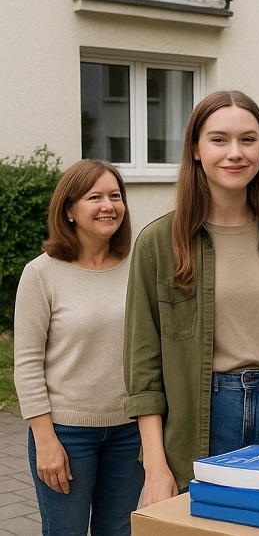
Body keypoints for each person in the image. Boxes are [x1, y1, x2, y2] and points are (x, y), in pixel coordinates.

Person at [125, 90, 259, 504]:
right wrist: (155, 465)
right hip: (203, 419)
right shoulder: (157, 243)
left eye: (248, 139)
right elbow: (143, 367)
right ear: (196, 150)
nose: (235, 153)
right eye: (219, 139)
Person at [13, 159, 143, 535]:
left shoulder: (139, 267)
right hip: (66, 434)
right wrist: (45, 440)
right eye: (94, 197)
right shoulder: (41, 273)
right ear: (69, 210)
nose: (109, 205)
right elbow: (26, 364)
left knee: (117, 531)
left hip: (130, 431)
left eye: (115, 196)